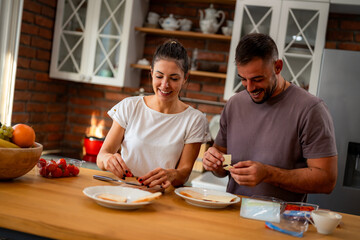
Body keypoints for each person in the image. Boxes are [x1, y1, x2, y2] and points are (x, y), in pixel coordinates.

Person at [202, 33, 338, 202]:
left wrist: (268, 174)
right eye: (243, 79)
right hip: (234, 214)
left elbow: (326, 180)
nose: (250, 88)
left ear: (278, 67)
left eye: (257, 79)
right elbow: (223, 165)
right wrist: (213, 162)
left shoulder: (311, 109)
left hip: (282, 222)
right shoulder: (234, 104)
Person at [97, 39, 210, 189]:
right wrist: (107, 160)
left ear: (185, 78)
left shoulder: (194, 120)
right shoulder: (130, 106)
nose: (165, 84)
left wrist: (172, 175)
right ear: (151, 73)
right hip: (123, 191)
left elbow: (184, 173)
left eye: (174, 78)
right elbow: (102, 155)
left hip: (161, 197)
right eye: (159, 76)